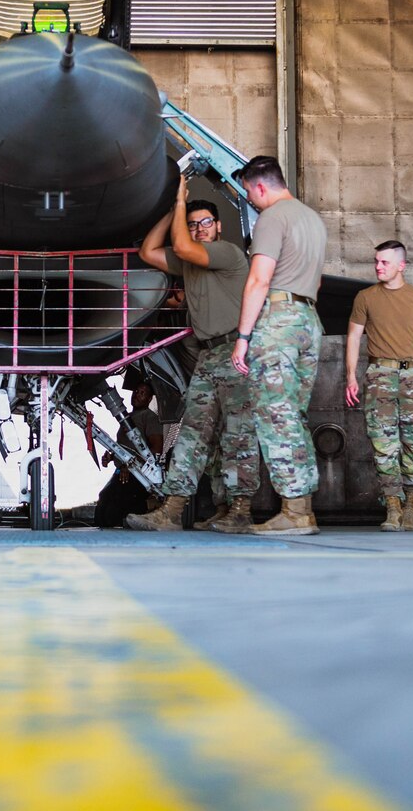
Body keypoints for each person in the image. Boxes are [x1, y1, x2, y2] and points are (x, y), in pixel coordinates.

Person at [127, 180, 257, 533]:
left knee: (238, 436)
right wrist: (174, 210)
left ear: (219, 227)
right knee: (194, 435)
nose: (199, 229)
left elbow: (180, 247)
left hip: (235, 353)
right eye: (193, 224)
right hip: (209, 357)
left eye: (205, 223)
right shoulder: (189, 262)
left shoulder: (228, 253)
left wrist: (182, 203)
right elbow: (149, 251)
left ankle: (241, 510)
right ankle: (174, 510)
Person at [229, 155, 328, 536]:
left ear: (260, 187)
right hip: (308, 320)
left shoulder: (272, 217)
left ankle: (295, 511)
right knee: (293, 415)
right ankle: (301, 507)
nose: (252, 202)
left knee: (274, 413)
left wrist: (242, 337)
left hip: (279, 322)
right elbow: (317, 284)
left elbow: (258, 280)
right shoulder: (312, 219)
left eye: (250, 195)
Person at [345, 240, 413, 532]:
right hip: (379, 375)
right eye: (376, 262)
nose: (378, 267)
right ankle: (392, 506)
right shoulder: (365, 297)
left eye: (384, 263)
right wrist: (351, 376)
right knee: (383, 444)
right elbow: (353, 338)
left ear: (401, 265)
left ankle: (411, 504)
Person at [94, 381, 167, 528]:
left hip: (139, 475)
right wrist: (111, 457)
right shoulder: (128, 418)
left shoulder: (149, 417)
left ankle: (151, 506)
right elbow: (125, 447)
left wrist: (132, 466)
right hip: (122, 472)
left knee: (111, 514)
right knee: (103, 507)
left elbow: (156, 449)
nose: (137, 395)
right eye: (136, 391)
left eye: (142, 393)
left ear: (149, 398)